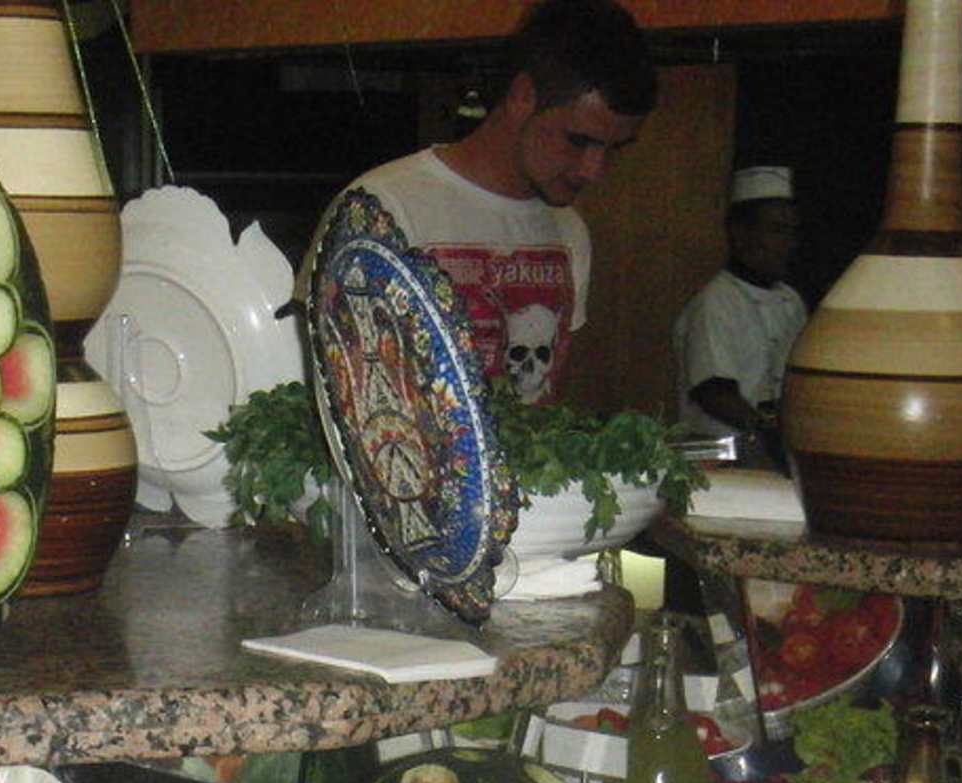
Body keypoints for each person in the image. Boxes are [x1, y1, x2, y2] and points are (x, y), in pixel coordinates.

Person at [316, 0, 655, 404]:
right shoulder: (383, 207)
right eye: (577, 141)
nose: (593, 170)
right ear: (523, 96)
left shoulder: (570, 229)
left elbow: (547, 399)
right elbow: (334, 392)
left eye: (614, 149)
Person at [672, 165, 807, 459]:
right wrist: (768, 430)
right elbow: (713, 392)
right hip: (720, 457)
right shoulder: (715, 301)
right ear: (740, 233)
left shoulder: (792, 301)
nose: (787, 244)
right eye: (776, 231)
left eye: (791, 232)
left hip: (769, 453)